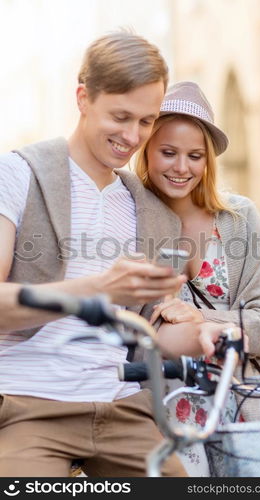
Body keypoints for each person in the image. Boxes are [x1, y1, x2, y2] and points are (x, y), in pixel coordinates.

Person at [0, 32, 234, 478]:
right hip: (27, 404)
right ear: (83, 98)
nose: (132, 138)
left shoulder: (151, 214)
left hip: (123, 408)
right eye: (121, 117)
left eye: (146, 122)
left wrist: (205, 335)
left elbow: (145, 337)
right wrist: (98, 289)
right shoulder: (16, 175)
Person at [135, 81, 260, 475]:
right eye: (168, 152)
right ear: (147, 150)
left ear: (209, 161)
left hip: (238, 404)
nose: (182, 167)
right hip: (159, 412)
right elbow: (127, 325)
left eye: (195, 155)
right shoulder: (130, 218)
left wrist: (202, 318)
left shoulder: (238, 218)